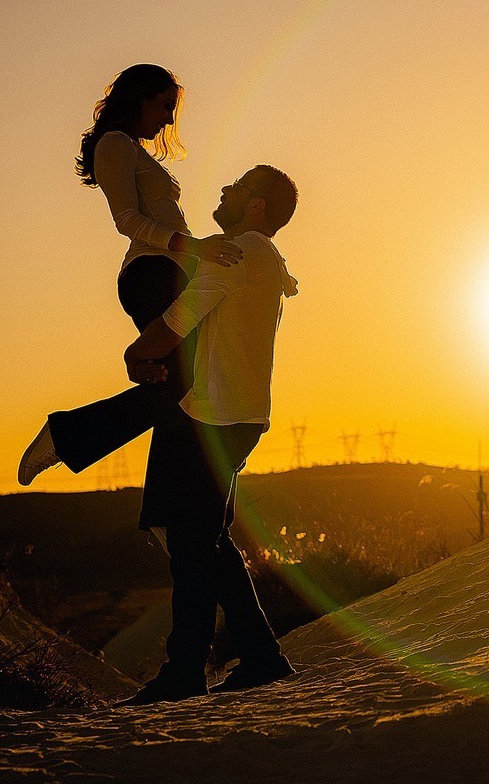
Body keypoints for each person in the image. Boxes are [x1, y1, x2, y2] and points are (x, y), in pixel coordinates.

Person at [22, 166, 299, 703]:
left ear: (258, 204)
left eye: (236, 187)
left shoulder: (237, 254)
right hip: (237, 417)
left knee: (193, 544)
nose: (222, 190)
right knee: (199, 540)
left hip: (209, 417)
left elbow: (177, 321)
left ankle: (189, 673)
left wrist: (136, 352)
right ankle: (257, 658)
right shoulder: (263, 258)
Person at [18, 64, 242, 484]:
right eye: (164, 105)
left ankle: (163, 509)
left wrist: (200, 260)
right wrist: (194, 248)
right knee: (185, 383)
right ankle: (66, 436)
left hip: (174, 272)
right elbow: (127, 220)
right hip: (150, 273)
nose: (170, 119)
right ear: (138, 97)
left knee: (186, 390)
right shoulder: (115, 144)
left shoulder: (133, 149)